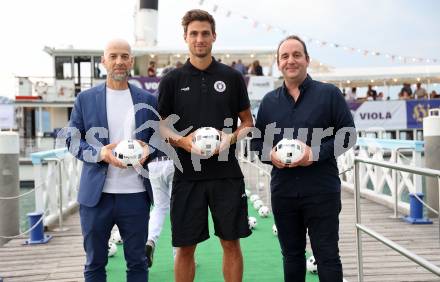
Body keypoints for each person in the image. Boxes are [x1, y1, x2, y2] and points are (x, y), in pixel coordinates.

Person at [157, 9, 253, 282]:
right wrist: (185, 142)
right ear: (185, 38)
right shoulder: (172, 80)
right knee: (185, 248)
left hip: (227, 175)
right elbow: (162, 127)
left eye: (205, 33)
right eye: (194, 34)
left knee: (231, 243)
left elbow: (247, 122)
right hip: (187, 176)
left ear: (214, 37)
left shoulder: (232, 78)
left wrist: (229, 139)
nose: (200, 39)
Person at [252, 35, 356, 282]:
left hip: (322, 190)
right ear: (278, 64)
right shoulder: (268, 102)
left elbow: (348, 136)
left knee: (328, 256)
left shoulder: (328, 94)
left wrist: (314, 154)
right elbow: (257, 143)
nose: (291, 61)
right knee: (292, 256)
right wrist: (272, 156)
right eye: (285, 56)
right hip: (284, 191)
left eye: (297, 55)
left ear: (307, 60)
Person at [66, 39, 158, 282]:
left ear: (131, 61)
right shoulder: (85, 99)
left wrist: (149, 148)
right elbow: (72, 140)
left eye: (124, 56)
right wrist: (100, 154)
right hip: (96, 197)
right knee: (95, 263)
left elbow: (161, 139)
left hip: (136, 195)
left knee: (138, 263)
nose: (119, 61)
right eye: (113, 56)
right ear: (103, 61)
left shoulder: (147, 100)